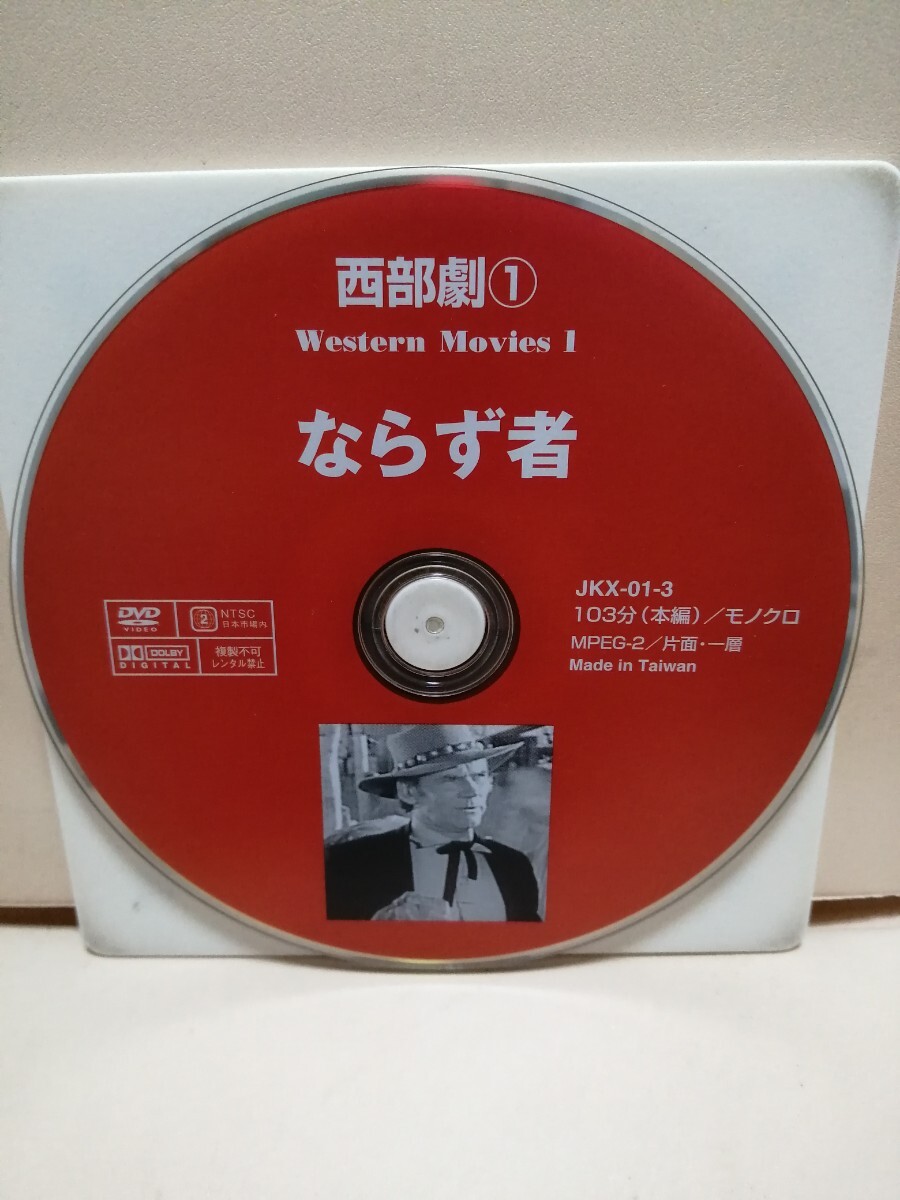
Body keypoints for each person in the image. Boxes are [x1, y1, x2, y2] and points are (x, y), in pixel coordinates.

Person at [324, 724, 541, 922]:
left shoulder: (513, 865)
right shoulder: (351, 863)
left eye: (479, 776)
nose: (472, 791)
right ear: (409, 792)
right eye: (451, 779)